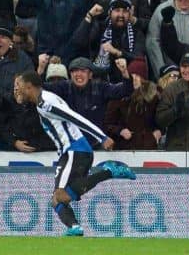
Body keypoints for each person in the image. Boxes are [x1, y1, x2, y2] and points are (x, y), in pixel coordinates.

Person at [13, 70, 136, 237]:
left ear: (29, 86)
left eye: (18, 86)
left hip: (75, 150)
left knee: (61, 196)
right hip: (72, 151)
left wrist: (101, 136)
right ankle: (74, 227)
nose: (16, 89)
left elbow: (75, 117)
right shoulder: (42, 100)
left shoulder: (46, 102)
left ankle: (109, 172)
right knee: (56, 200)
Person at [155, 52, 189, 151]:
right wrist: (175, 111)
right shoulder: (171, 89)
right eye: (184, 66)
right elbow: (160, 120)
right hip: (176, 149)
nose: (187, 70)